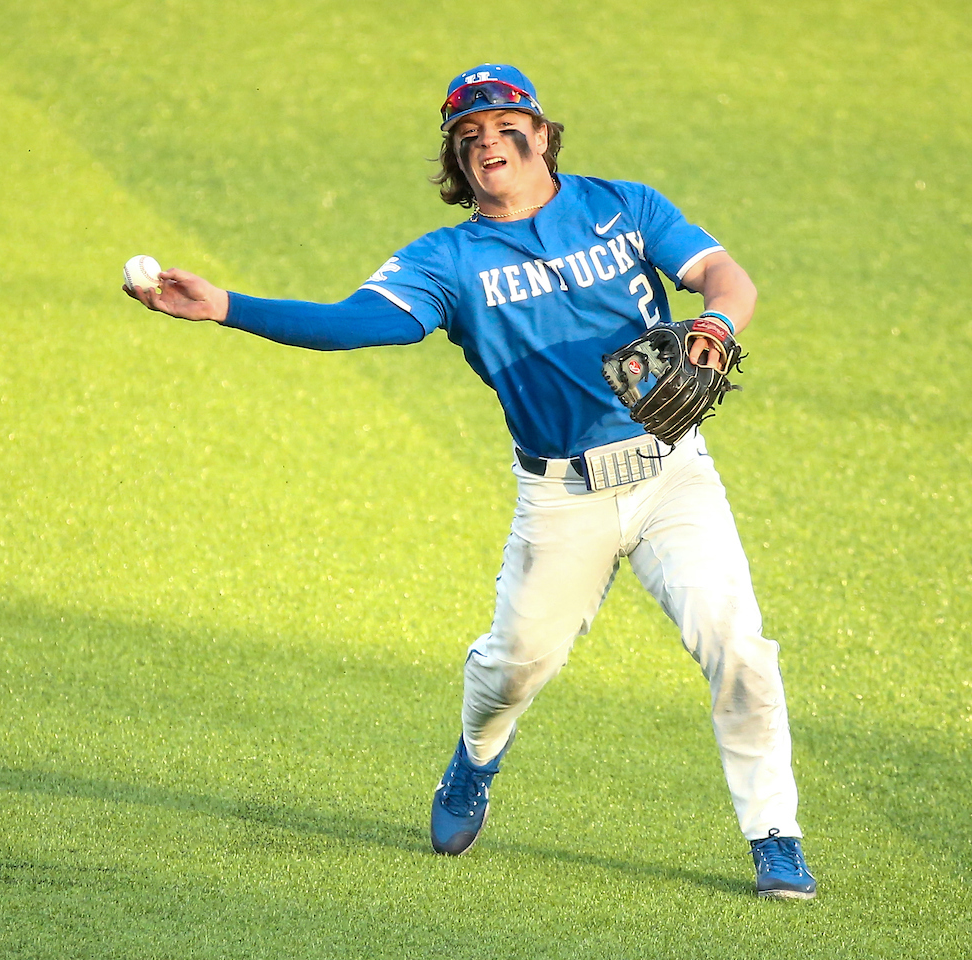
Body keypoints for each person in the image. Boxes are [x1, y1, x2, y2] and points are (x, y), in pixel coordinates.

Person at [124, 63, 817, 900]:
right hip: (562, 497)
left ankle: (774, 833)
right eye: (469, 134)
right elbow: (353, 325)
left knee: (736, 643)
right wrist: (228, 305)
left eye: (503, 123)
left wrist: (712, 318)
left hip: (674, 474)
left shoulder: (624, 207)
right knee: (513, 666)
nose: (488, 140)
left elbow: (726, 279)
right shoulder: (448, 260)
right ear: (457, 163)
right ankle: (474, 763)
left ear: (542, 133)